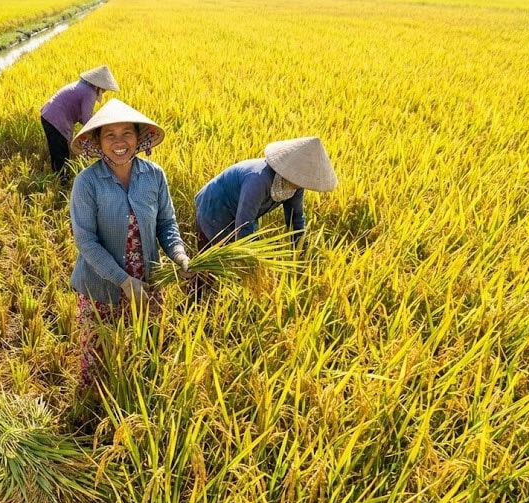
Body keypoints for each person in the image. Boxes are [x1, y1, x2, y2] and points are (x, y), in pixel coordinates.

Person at [68, 99, 190, 383]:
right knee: (98, 354)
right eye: (110, 134)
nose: (119, 142)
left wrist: (180, 256)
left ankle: (138, 397)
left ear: (139, 138)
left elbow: (166, 223)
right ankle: (92, 409)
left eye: (127, 133)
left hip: (147, 281)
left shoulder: (154, 175)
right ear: (98, 141)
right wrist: (123, 281)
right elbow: (86, 241)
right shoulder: (87, 183)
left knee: (148, 346)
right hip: (102, 284)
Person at [194, 136, 338, 249]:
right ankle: (198, 285)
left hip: (242, 212)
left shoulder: (296, 185)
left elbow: (296, 218)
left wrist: (300, 248)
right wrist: (252, 258)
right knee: (211, 260)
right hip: (215, 206)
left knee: (238, 262)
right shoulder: (258, 180)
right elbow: (244, 223)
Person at [40, 65, 120, 184]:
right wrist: (100, 133)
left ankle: (57, 177)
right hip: (56, 118)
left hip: (48, 115)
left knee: (56, 148)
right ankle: (62, 181)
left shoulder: (82, 87)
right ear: (98, 85)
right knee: (60, 151)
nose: (104, 92)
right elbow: (87, 119)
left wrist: (99, 125)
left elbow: (83, 118)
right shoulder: (89, 93)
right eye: (104, 89)